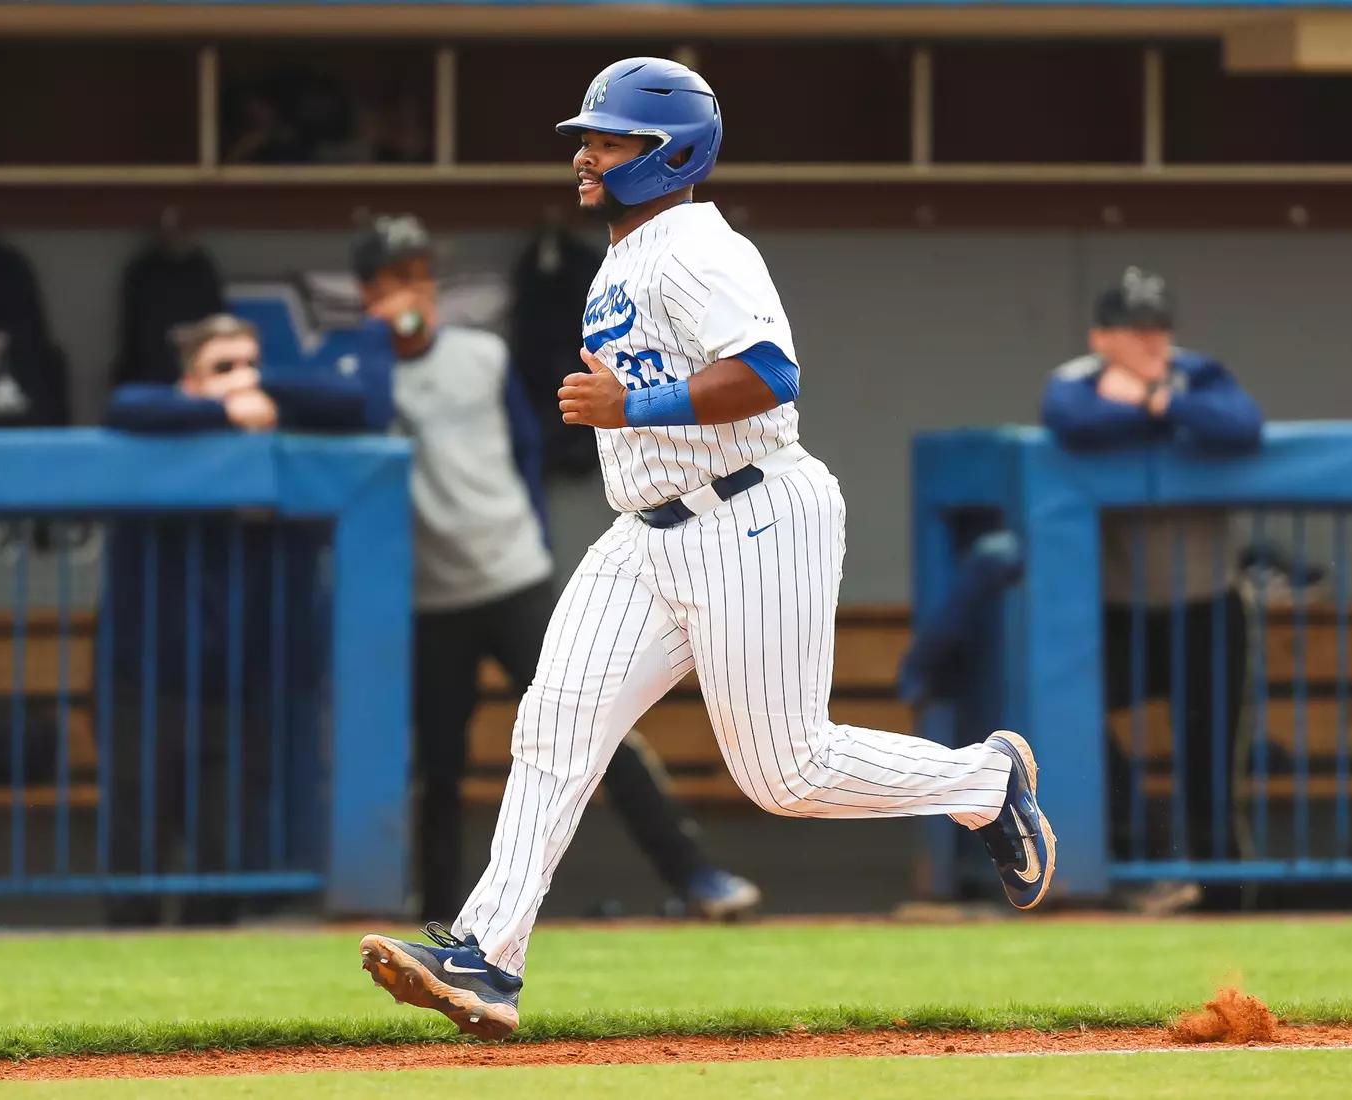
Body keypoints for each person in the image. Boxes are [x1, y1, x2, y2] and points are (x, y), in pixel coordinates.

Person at [358, 57, 1056, 1041]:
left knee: (784, 772)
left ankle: (986, 783)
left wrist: (630, 404)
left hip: (750, 512)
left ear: (668, 151)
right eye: (587, 139)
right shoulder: (624, 257)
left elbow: (772, 372)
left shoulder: (697, 246)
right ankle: (487, 955)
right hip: (645, 533)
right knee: (553, 725)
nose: (585, 157)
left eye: (607, 141)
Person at [337, 213, 762, 926]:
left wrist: (532, 538)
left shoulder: (481, 354)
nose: (411, 290)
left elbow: (528, 452)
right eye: (392, 279)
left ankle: (697, 877)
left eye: (418, 275)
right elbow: (368, 402)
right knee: (437, 765)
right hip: (431, 597)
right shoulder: (355, 371)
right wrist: (380, 337)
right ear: (368, 290)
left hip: (513, 577)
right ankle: (443, 923)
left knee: (600, 723)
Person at [100, 313, 368, 926]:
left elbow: (358, 401)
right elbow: (124, 405)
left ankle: (200, 979)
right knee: (136, 840)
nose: (243, 380)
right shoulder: (166, 429)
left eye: (252, 365)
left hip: (241, 685)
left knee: (223, 850)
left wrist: (261, 388)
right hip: (145, 681)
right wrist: (223, 410)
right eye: (223, 368)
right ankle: (119, 974)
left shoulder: (276, 425)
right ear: (190, 384)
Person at [1040, 268, 1263, 912]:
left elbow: (1240, 425)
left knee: (1210, 760)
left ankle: (1226, 896)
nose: (1151, 341)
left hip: (1207, 606)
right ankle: (1142, 862)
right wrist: (1156, 414)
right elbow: (1069, 419)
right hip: (1122, 614)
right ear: (1101, 335)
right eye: (1135, 330)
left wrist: (1155, 400)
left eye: (1159, 327)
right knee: (1073, 721)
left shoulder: (1198, 372)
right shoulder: (1077, 378)